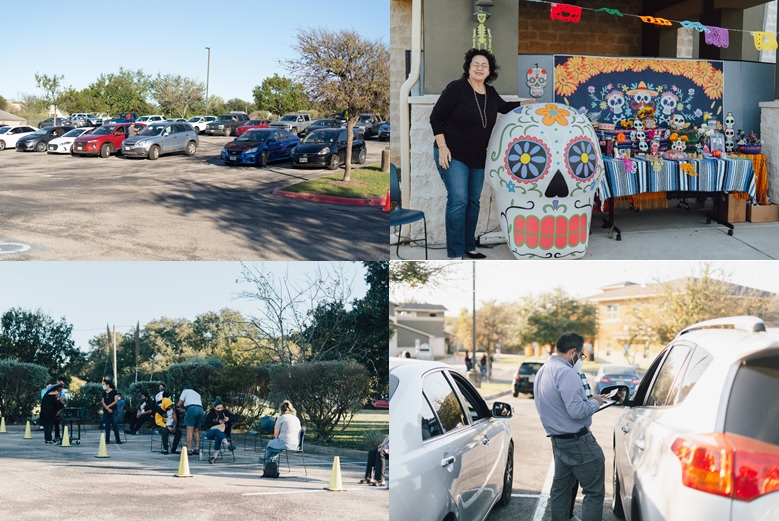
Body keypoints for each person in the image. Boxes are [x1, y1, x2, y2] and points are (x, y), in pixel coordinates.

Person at [429, 48, 523, 259]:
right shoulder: (457, 89)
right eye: (476, 64)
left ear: (489, 71)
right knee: (458, 199)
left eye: (484, 65)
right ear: (468, 67)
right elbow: (436, 118)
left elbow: (506, 107)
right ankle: (455, 253)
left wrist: (532, 104)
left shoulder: (490, 93)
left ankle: (468, 246)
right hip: (453, 154)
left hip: (478, 156)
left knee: (473, 202)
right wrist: (442, 147)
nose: (480, 68)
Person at [534, 332, 607, 521]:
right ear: (572, 351)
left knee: (560, 492)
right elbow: (577, 411)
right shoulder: (567, 373)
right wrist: (596, 402)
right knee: (594, 491)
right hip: (578, 442)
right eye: (581, 355)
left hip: (558, 442)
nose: (581, 359)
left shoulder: (544, 370)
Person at [203, 397, 236, 463]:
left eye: (221, 408)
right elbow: (206, 425)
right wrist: (218, 422)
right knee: (216, 430)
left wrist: (228, 419)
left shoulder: (225, 412)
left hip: (222, 433)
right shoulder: (211, 414)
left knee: (218, 437)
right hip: (210, 433)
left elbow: (235, 417)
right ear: (214, 408)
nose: (220, 410)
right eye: (218, 408)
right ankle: (228, 445)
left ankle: (214, 457)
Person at [176, 386, 204, 455]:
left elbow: (179, 404)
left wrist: (176, 407)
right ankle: (197, 448)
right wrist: (184, 410)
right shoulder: (197, 394)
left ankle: (189, 449)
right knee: (196, 430)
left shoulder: (185, 391)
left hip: (191, 409)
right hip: (200, 410)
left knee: (189, 430)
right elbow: (195, 405)